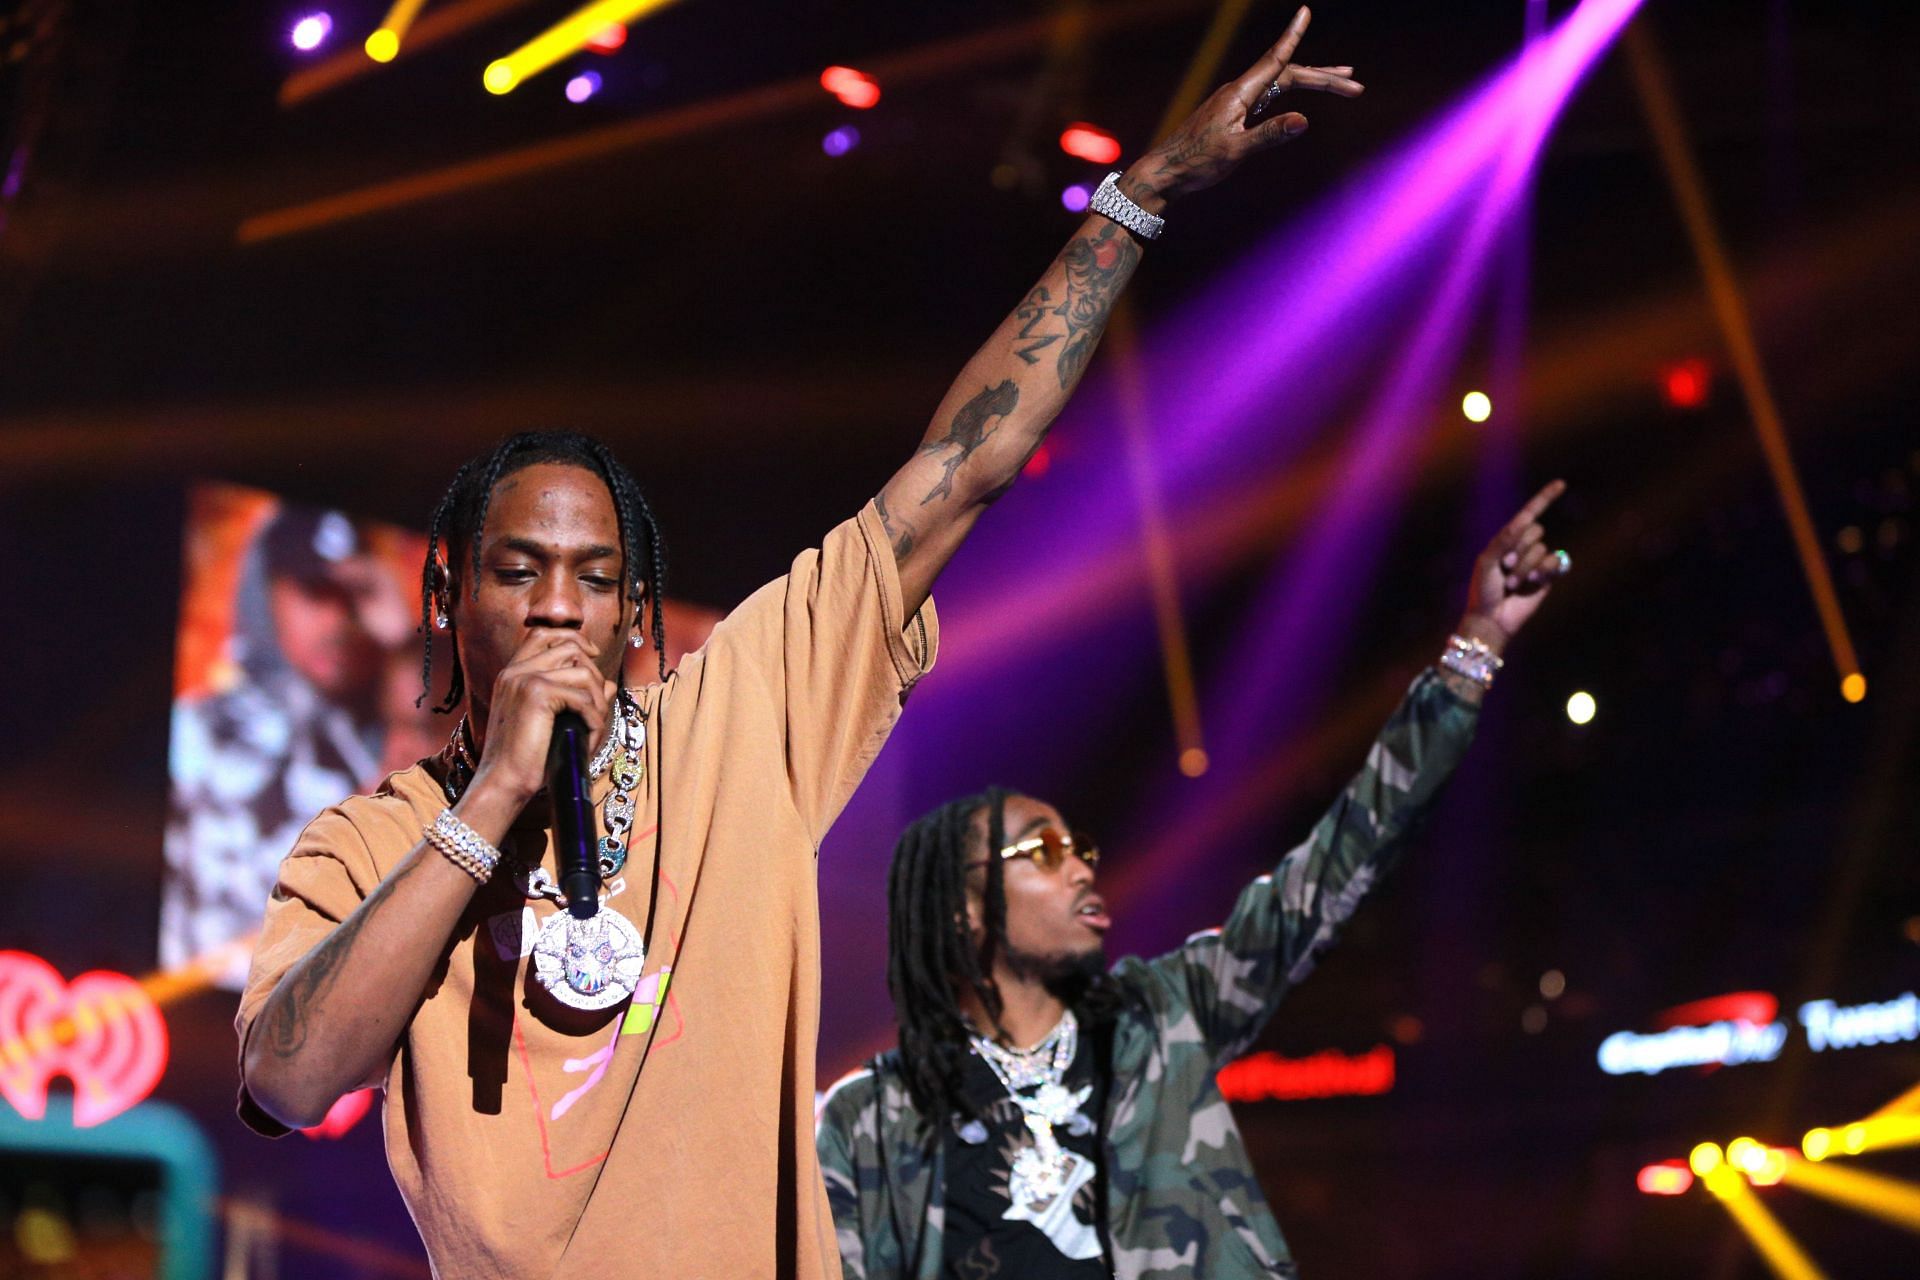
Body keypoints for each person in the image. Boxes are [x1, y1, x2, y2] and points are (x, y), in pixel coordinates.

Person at [234, 9, 1363, 1276]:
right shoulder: (367, 843)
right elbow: (290, 1072)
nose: (562, 604)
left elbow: (964, 464)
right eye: (521, 569)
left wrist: (1140, 196)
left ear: (631, 608)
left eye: (598, 578)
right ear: (449, 597)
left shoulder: (743, 715)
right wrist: (493, 794)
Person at [817, 482, 1573, 1279]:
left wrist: (1476, 645)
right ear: (964, 911)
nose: (1079, 862)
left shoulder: (1160, 1019)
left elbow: (1334, 867)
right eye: (1041, 850)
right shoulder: (873, 1120)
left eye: (1079, 846)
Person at [163, 503, 415, 983]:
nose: (340, 618)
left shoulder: (408, 731)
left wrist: (405, 647)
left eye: (357, 593)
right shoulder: (201, 734)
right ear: (267, 589)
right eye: (315, 590)